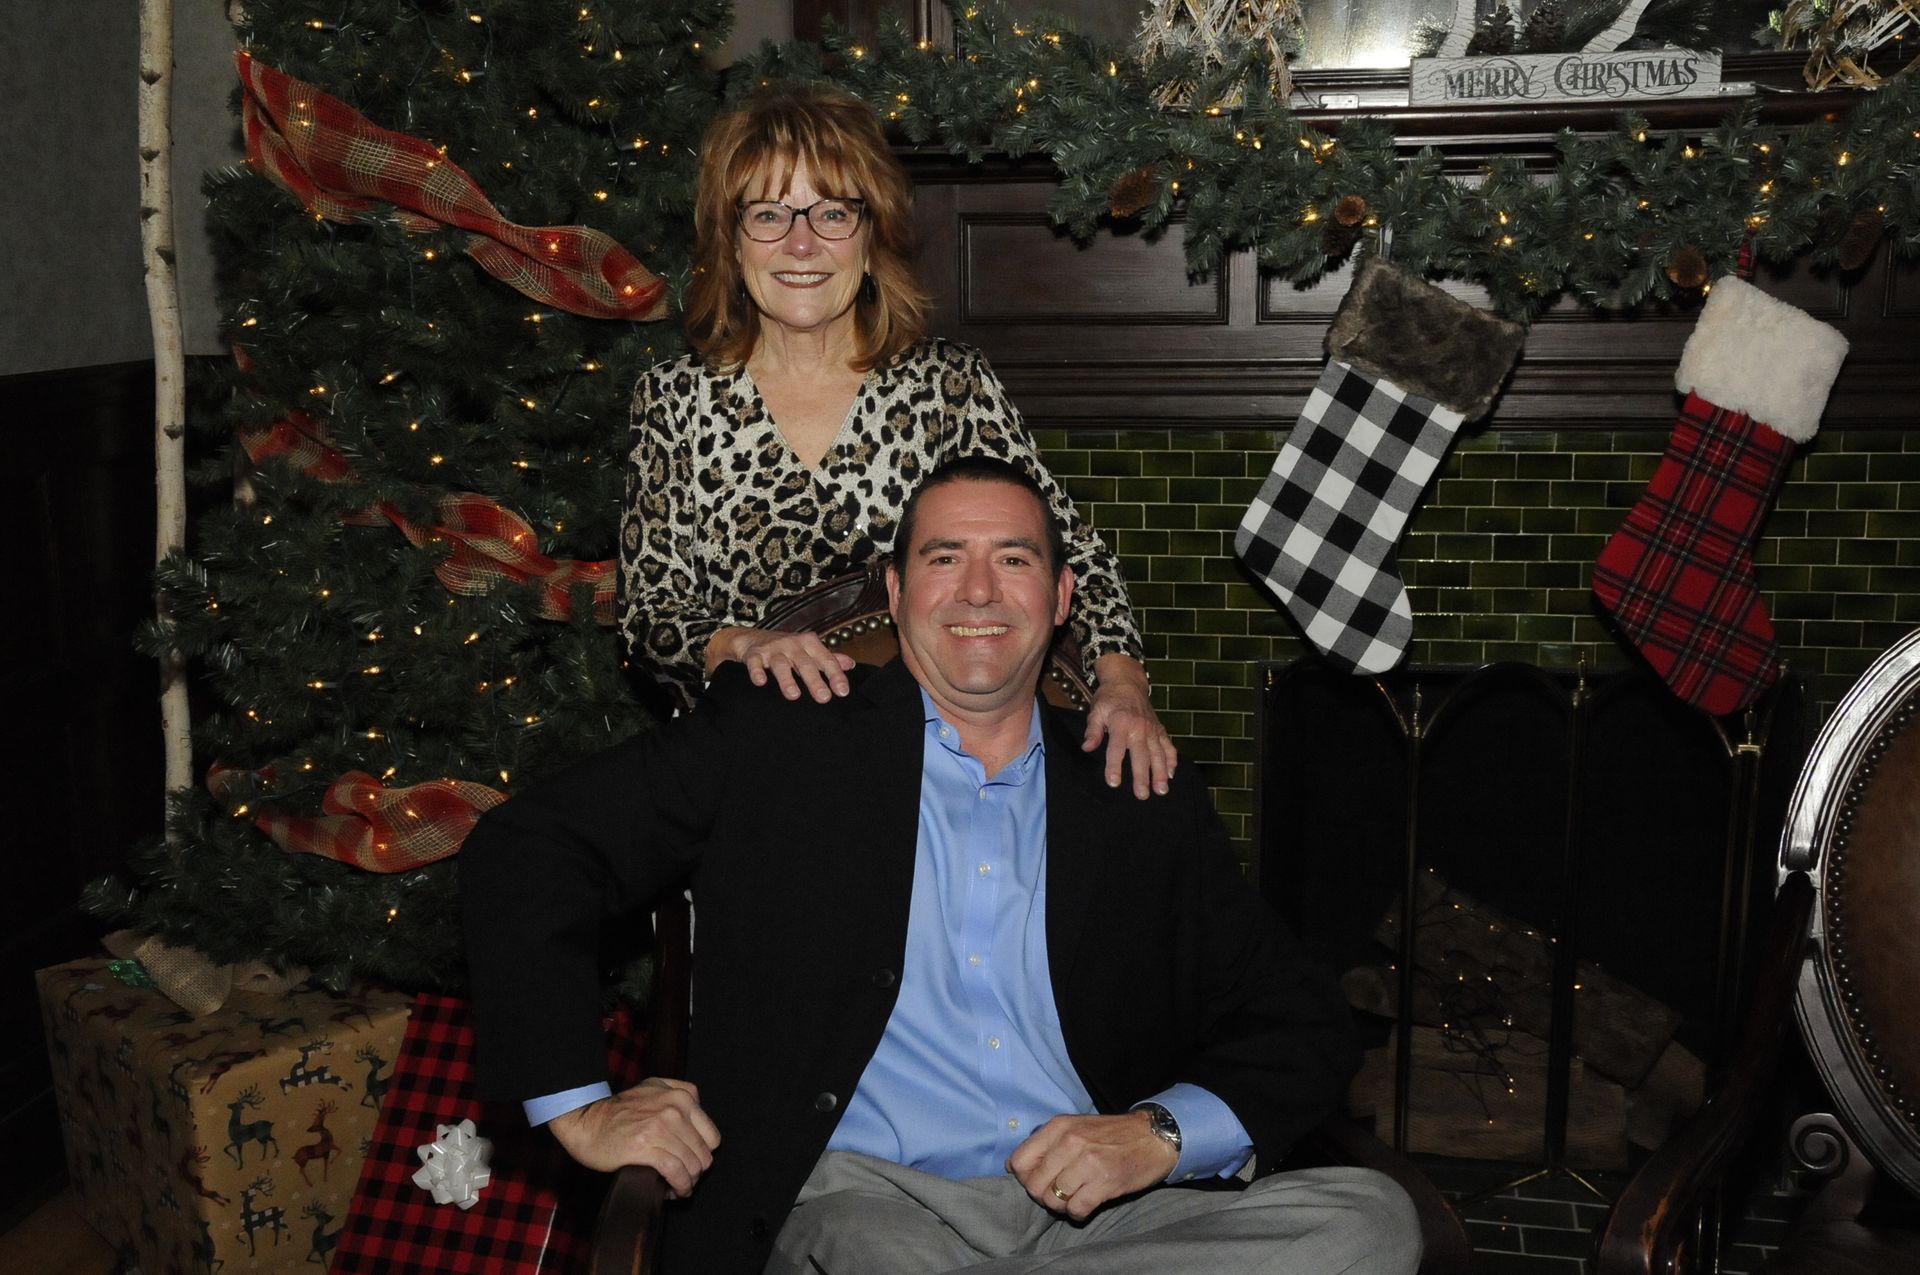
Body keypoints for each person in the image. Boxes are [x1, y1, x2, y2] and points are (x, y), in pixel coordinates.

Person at [463, 458, 1422, 1274]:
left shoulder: (1135, 788)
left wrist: (1157, 1136)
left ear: (1061, 598)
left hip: (1097, 1222)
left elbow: (1300, 1016)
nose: (977, 590)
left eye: (1014, 558)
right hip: (863, 1205)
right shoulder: (782, 737)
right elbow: (532, 846)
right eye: (943, 558)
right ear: (894, 591)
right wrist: (578, 1107)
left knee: (1371, 1223)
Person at [619, 82, 1176, 798]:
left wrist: (1124, 686)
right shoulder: (673, 399)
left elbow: (1070, 558)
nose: (801, 243)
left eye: (831, 212)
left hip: (932, 772)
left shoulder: (949, 385)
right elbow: (649, 616)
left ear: (870, 231)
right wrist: (737, 643)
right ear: (730, 239)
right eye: (768, 213)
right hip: (751, 768)